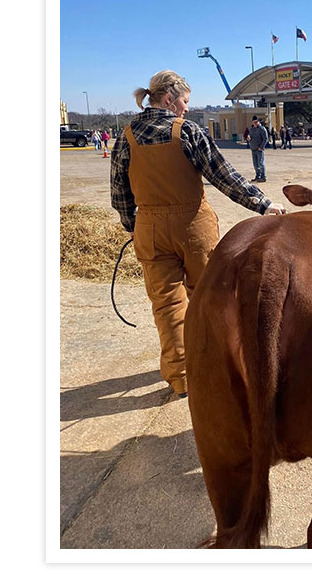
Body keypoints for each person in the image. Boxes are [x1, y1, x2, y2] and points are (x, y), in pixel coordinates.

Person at [111, 70, 285, 397]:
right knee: (209, 299)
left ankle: (181, 377)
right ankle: (217, 364)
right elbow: (224, 176)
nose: (187, 108)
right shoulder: (187, 131)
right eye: (185, 101)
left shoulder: (127, 135)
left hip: (149, 228)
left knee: (166, 306)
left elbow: (119, 192)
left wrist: (133, 226)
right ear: (169, 99)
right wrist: (263, 204)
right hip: (193, 226)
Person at [247, 116, 269, 182]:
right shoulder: (252, 129)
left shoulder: (262, 129)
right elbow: (250, 137)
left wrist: (261, 147)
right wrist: (249, 138)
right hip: (253, 148)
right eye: (254, 122)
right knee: (255, 164)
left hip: (259, 149)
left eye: (256, 122)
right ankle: (258, 175)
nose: (255, 123)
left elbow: (265, 139)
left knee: (261, 163)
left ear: (258, 122)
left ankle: (263, 176)